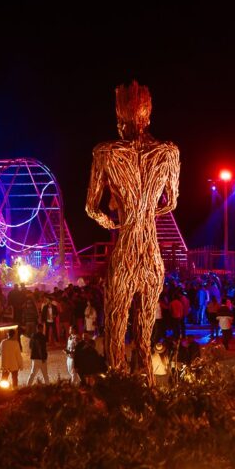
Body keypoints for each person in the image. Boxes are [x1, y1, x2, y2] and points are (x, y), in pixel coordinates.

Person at [85, 81, 181, 381]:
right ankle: (148, 385)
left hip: (126, 249)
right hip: (150, 253)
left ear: (119, 119)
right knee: (144, 331)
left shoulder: (105, 153)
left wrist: (112, 221)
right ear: (147, 117)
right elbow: (171, 203)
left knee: (115, 326)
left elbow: (91, 207)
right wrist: (146, 211)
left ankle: (118, 385)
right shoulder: (169, 153)